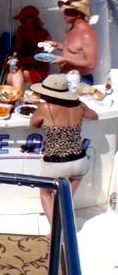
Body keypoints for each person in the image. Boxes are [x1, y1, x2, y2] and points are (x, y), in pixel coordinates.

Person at [29, 74, 98, 232]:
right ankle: (65, 229)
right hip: (80, 161)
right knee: (66, 200)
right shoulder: (79, 105)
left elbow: (33, 124)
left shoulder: (45, 107)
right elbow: (94, 116)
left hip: (56, 163)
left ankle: (56, 232)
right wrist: (80, 112)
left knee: (46, 194)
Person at [46, 0, 98, 85]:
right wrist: (56, 45)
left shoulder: (86, 34)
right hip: (65, 77)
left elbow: (91, 64)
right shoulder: (72, 28)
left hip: (80, 81)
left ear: (78, 14)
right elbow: (74, 50)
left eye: (67, 10)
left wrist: (65, 60)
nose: (64, 13)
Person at [5, 5, 52, 90]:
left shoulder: (43, 34)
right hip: (23, 64)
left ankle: (16, 94)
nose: (21, 22)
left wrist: (18, 60)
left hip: (38, 68)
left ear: (32, 19)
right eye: (20, 20)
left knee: (14, 74)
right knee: (11, 74)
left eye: (23, 20)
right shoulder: (21, 30)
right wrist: (14, 58)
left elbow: (37, 59)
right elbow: (17, 49)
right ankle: (16, 94)